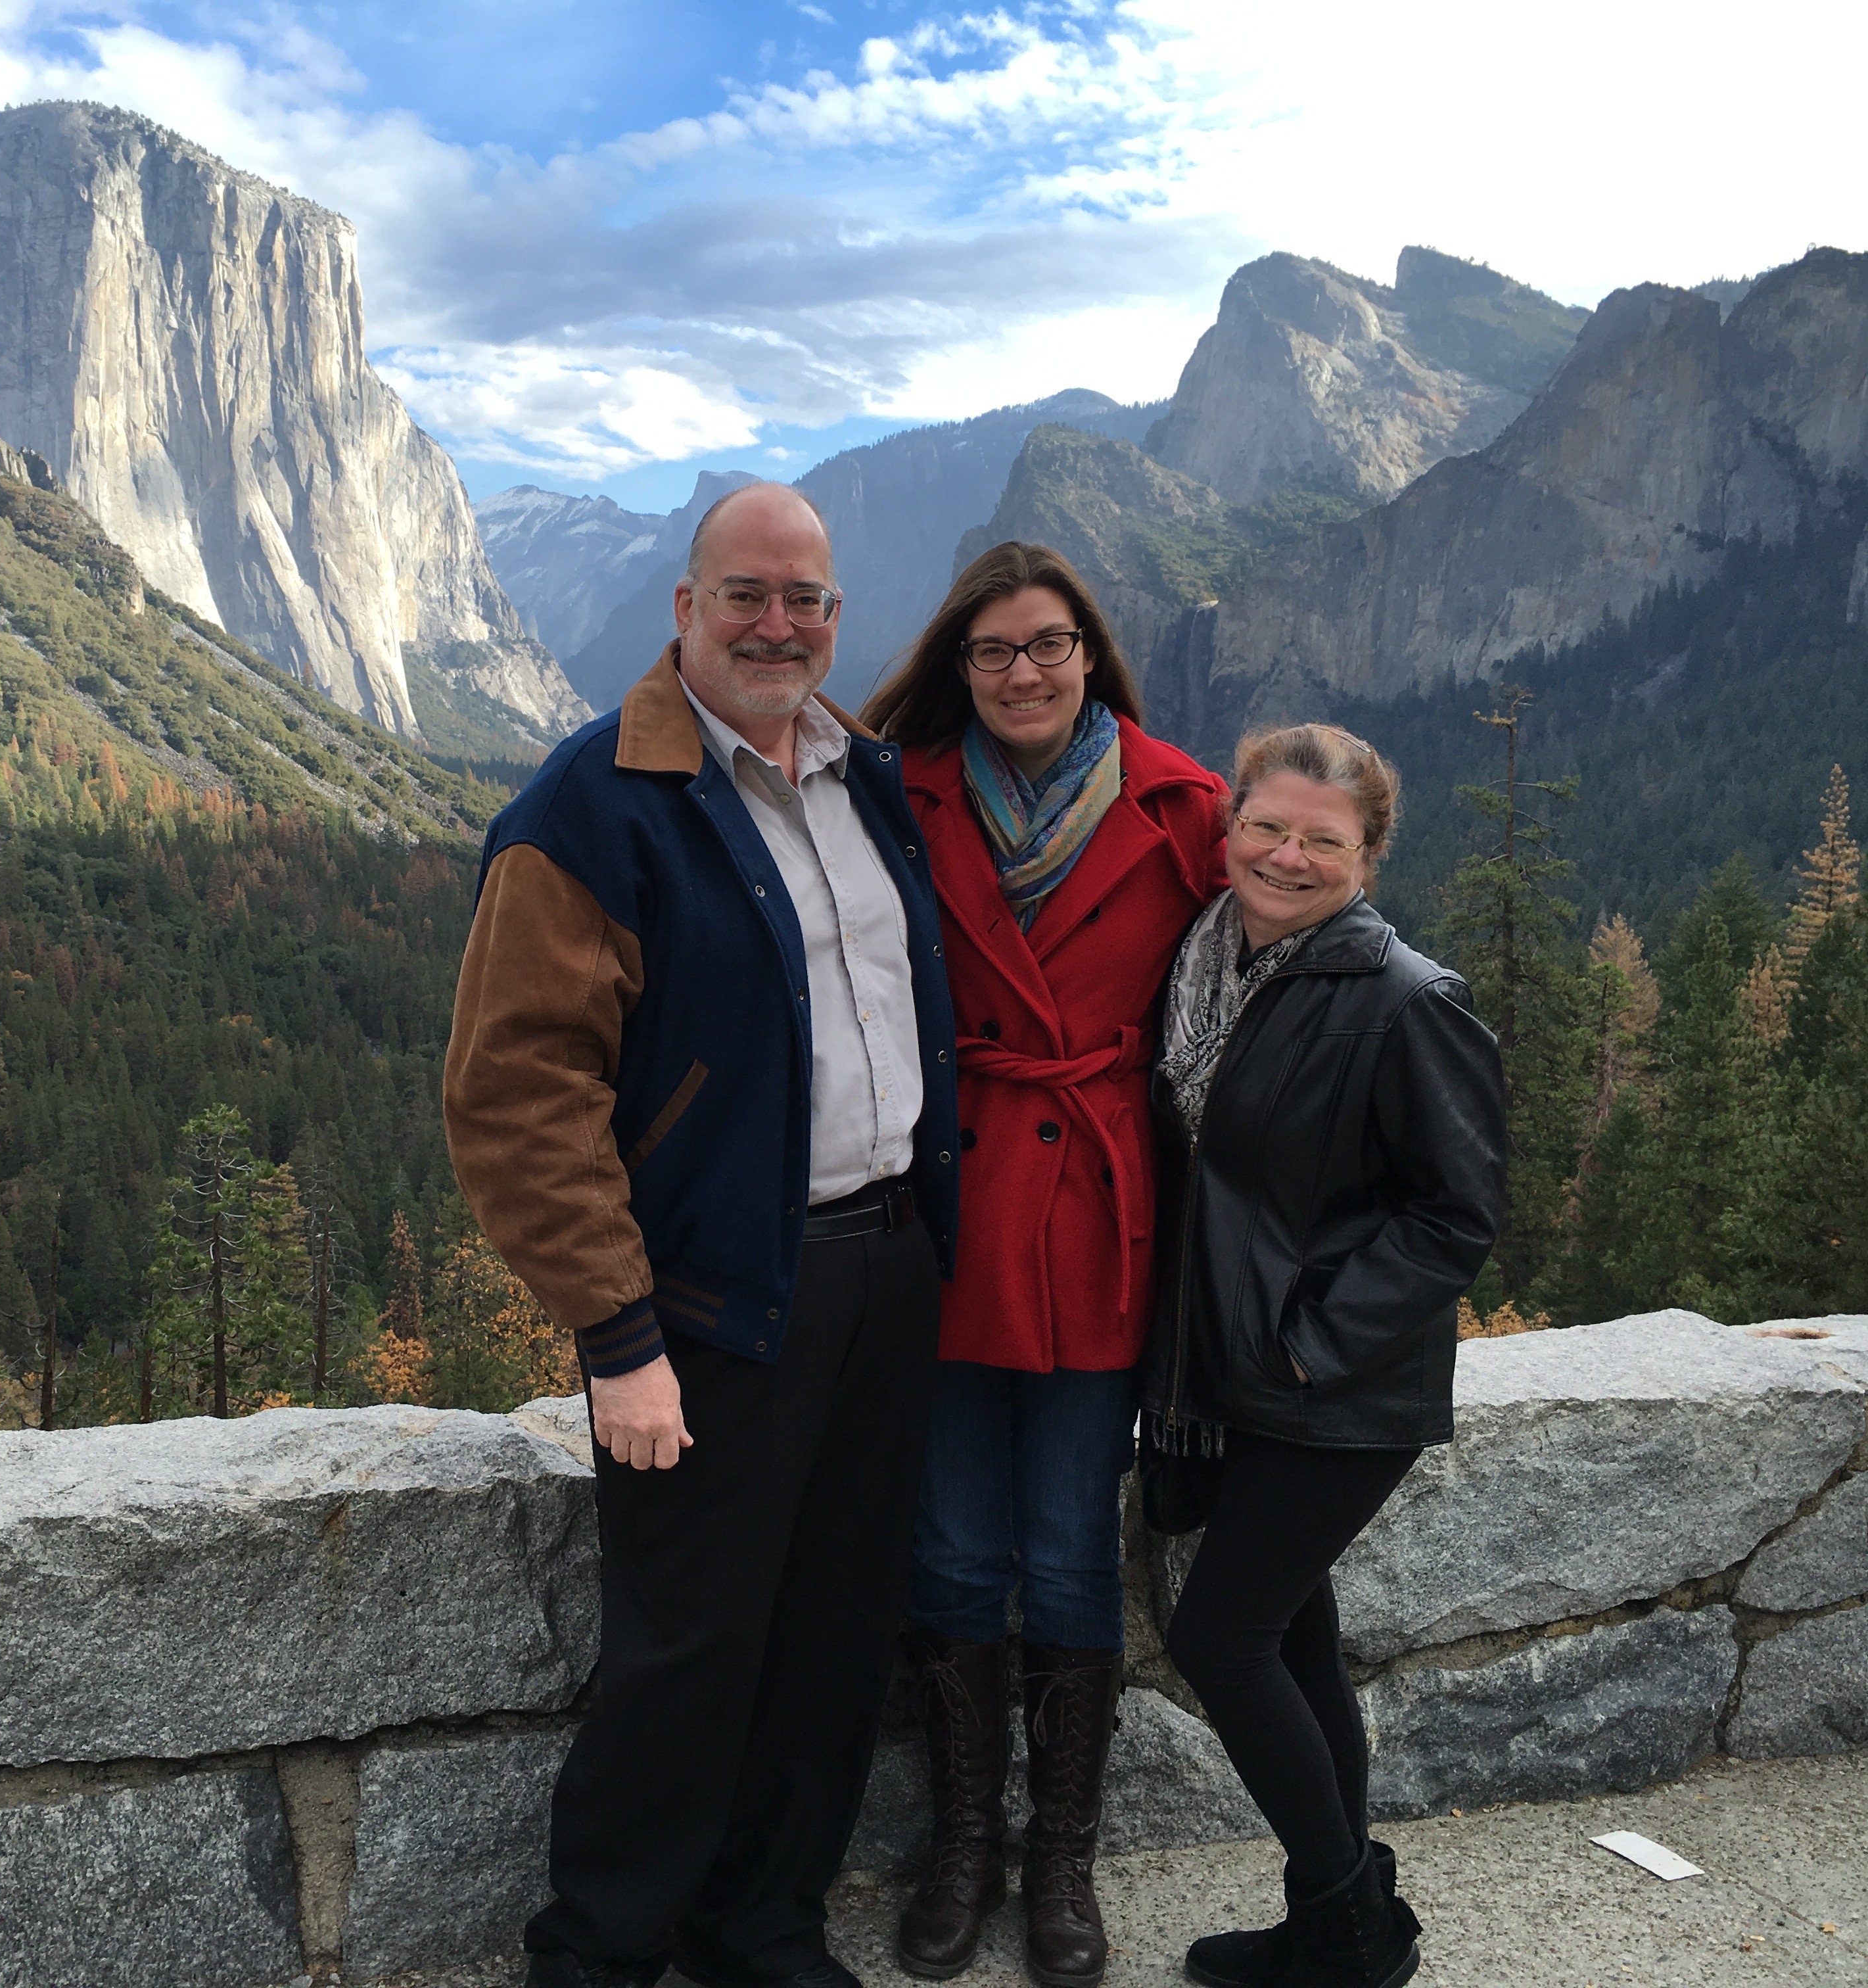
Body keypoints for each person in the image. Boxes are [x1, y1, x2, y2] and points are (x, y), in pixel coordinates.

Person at [443, 481, 962, 1988]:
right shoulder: (589, 806)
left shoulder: (867, 779)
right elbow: (518, 1094)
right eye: (745, 594)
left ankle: (764, 1930)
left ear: (836, 621)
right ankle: (599, 1955)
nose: (777, 625)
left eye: (806, 600)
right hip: (713, 1303)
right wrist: (618, 1336)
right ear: (686, 610)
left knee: (836, 1637)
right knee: (686, 1659)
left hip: (884, 1273)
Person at [862, 541, 1230, 1985]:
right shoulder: (897, 795)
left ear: (1092, 652)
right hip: (946, 1205)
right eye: (995, 650)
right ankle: (966, 1847)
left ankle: (1061, 1862)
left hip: (1098, 1212)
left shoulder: (1186, 808)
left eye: (1050, 644)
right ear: (959, 663)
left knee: (1074, 1545)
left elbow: (1262, 983)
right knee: (952, 1541)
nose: (1025, 671)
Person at [1140, 724, 1506, 1988]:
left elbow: (1454, 1214)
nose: (1287, 857)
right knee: (1291, 1637)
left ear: (1370, 856)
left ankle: (1348, 1931)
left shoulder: (1405, 1000)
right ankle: (1333, 1919)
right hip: (1231, 1371)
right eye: (1267, 828)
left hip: (1332, 1389)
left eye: (1322, 841)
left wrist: (1308, 1346)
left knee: (1222, 1641)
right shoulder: (1205, 961)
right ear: (1228, 826)